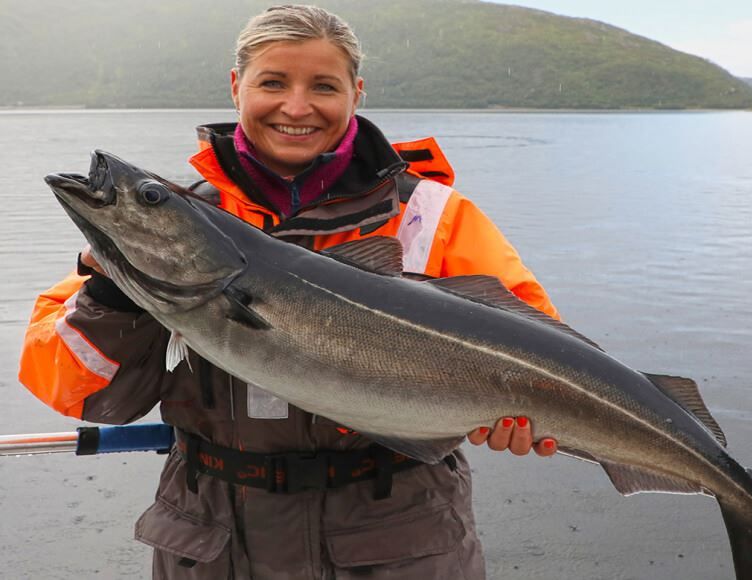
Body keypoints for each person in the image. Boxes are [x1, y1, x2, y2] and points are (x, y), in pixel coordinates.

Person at [19, 5, 561, 579]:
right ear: (236, 87)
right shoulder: (180, 229)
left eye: (323, 86)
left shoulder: (430, 215)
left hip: (400, 539)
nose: (296, 107)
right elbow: (87, 397)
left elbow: (537, 344)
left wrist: (520, 412)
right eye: (272, 82)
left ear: (357, 91)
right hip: (215, 542)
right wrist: (110, 293)